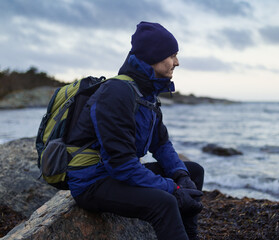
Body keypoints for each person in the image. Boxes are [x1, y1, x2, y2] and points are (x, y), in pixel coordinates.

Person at [65, 21, 204, 240]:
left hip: (115, 174)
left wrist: (180, 175)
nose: (177, 62)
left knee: (194, 171)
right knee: (165, 202)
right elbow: (121, 165)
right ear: (153, 55)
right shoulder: (117, 92)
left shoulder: (146, 93)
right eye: (172, 55)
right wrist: (173, 189)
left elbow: (161, 144)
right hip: (92, 182)